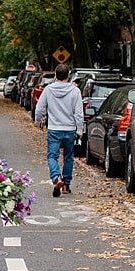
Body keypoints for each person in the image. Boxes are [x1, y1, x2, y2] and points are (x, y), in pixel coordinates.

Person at [34, 64, 83, 197]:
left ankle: (56, 178)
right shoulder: (75, 91)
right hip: (70, 129)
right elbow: (78, 113)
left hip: (54, 129)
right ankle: (66, 185)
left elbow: (39, 108)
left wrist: (38, 121)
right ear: (68, 75)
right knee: (68, 157)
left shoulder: (49, 90)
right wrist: (80, 130)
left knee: (52, 156)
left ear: (55, 75)